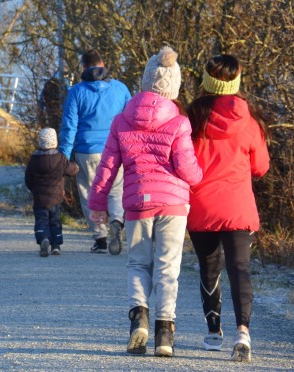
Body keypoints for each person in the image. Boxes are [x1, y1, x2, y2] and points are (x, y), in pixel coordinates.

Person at [88, 46, 202, 357]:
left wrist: (98, 201)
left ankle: (138, 317)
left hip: (137, 204)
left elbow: (108, 167)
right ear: (174, 87)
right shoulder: (179, 123)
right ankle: (165, 334)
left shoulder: (121, 121)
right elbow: (188, 171)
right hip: (173, 206)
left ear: (144, 82)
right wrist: (199, 175)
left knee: (138, 263)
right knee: (167, 268)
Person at [186, 54, 270, 362]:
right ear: (235, 83)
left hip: (201, 204)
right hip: (237, 205)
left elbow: (182, 159)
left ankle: (212, 331)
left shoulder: (193, 116)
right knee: (239, 269)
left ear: (207, 82)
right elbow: (261, 166)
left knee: (209, 268)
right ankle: (243, 332)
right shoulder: (249, 119)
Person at [59, 48, 131, 254]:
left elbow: (69, 126)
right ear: (103, 63)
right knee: (116, 190)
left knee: (90, 193)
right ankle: (117, 219)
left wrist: (64, 156)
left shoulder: (76, 92)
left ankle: (100, 238)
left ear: (83, 67)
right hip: (115, 149)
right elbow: (129, 120)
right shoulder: (121, 89)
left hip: (86, 150)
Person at [24, 127, 79, 257]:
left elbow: (28, 178)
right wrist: (76, 166)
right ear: (55, 141)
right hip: (56, 199)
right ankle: (56, 246)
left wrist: (34, 190)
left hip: (39, 199)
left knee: (41, 220)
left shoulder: (34, 159)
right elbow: (71, 170)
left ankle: (44, 239)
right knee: (55, 221)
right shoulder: (61, 158)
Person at [38, 67, 70, 132]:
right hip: (63, 113)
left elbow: (41, 101)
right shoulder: (65, 83)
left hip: (50, 111)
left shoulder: (49, 82)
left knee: (53, 133)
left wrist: (41, 114)